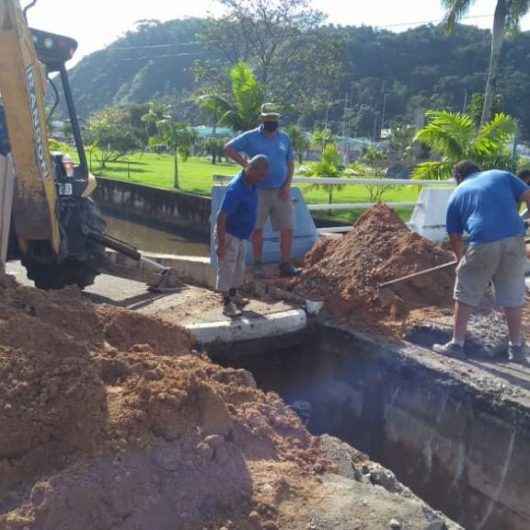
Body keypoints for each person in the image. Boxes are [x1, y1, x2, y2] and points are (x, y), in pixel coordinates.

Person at [433, 160, 530, 362]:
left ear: (458, 177)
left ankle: (457, 344)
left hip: (483, 240)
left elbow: (455, 236)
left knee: (465, 291)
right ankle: (517, 348)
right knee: (513, 295)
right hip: (515, 239)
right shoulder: (501, 174)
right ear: (478, 170)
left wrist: (460, 260)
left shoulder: (457, 194)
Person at [224, 104, 299, 278]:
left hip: (281, 191)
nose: (271, 122)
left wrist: (287, 185)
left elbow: (290, 163)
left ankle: (285, 264)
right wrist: (247, 165)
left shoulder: (284, 139)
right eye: (268, 119)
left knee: (287, 228)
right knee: (257, 229)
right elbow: (228, 148)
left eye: (274, 119)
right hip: (258, 191)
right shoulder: (250, 137)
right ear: (262, 120)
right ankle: (258, 264)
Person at [216, 155, 269, 317]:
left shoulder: (251, 183)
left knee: (239, 267)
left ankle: (233, 295)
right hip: (229, 234)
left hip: (240, 234)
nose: (262, 179)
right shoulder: (236, 189)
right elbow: (221, 216)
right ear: (251, 169)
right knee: (227, 267)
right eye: (261, 175)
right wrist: (221, 243)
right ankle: (226, 303)